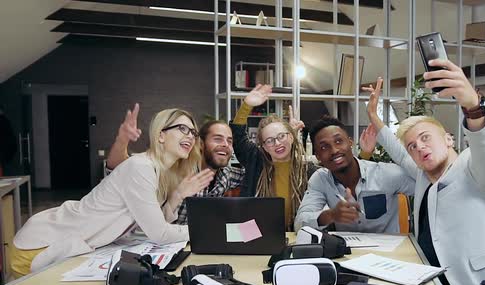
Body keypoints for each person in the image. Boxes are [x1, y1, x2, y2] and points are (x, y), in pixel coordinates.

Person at [364, 59, 485, 285]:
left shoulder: (474, 168)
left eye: (425, 138)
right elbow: (398, 151)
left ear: (449, 139)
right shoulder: (423, 174)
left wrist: (473, 106)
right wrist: (375, 117)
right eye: (413, 146)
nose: (419, 147)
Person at [10, 108, 213, 277]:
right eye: (182, 129)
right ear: (161, 135)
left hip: (72, 244)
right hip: (41, 245)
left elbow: (153, 225)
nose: (190, 136)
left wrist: (177, 195)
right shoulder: (140, 167)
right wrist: (211, 230)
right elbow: (159, 233)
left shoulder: (161, 173)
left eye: (193, 133)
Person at [106, 103, 245, 225]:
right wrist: (122, 140)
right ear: (201, 144)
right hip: (162, 242)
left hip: (196, 243)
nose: (225, 145)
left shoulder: (226, 175)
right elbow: (119, 169)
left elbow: (258, 170)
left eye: (229, 141)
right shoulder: (178, 165)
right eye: (218, 139)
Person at [294, 115, 415, 234]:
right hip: (348, 253)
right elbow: (300, 223)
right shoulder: (321, 179)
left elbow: (426, 185)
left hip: (392, 252)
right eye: (324, 147)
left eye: (338, 141)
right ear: (318, 157)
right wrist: (331, 215)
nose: (334, 150)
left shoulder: (386, 174)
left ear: (350, 142)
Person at [230, 84, 313, 231]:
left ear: (292, 137)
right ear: (264, 146)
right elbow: (238, 137)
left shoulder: (308, 170)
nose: (277, 143)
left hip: (298, 236)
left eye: (281, 136)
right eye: (270, 140)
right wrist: (246, 106)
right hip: (257, 235)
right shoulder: (256, 161)